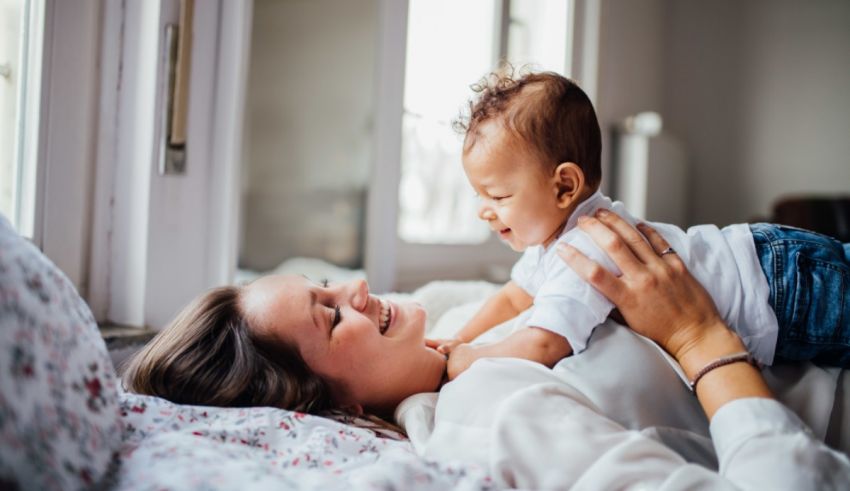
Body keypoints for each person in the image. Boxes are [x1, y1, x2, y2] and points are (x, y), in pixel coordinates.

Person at [123, 214, 849, 489]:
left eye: (324, 282)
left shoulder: (453, 327)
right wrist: (701, 341)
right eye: (329, 313)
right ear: (329, 405)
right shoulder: (489, 415)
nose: (358, 286)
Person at [434, 69, 850, 380]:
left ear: (564, 186)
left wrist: (472, 359)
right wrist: (462, 337)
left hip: (781, 290)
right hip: (770, 264)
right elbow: (513, 299)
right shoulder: (553, 241)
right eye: (479, 195)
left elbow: (543, 343)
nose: (483, 211)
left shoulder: (586, 246)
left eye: (498, 196)